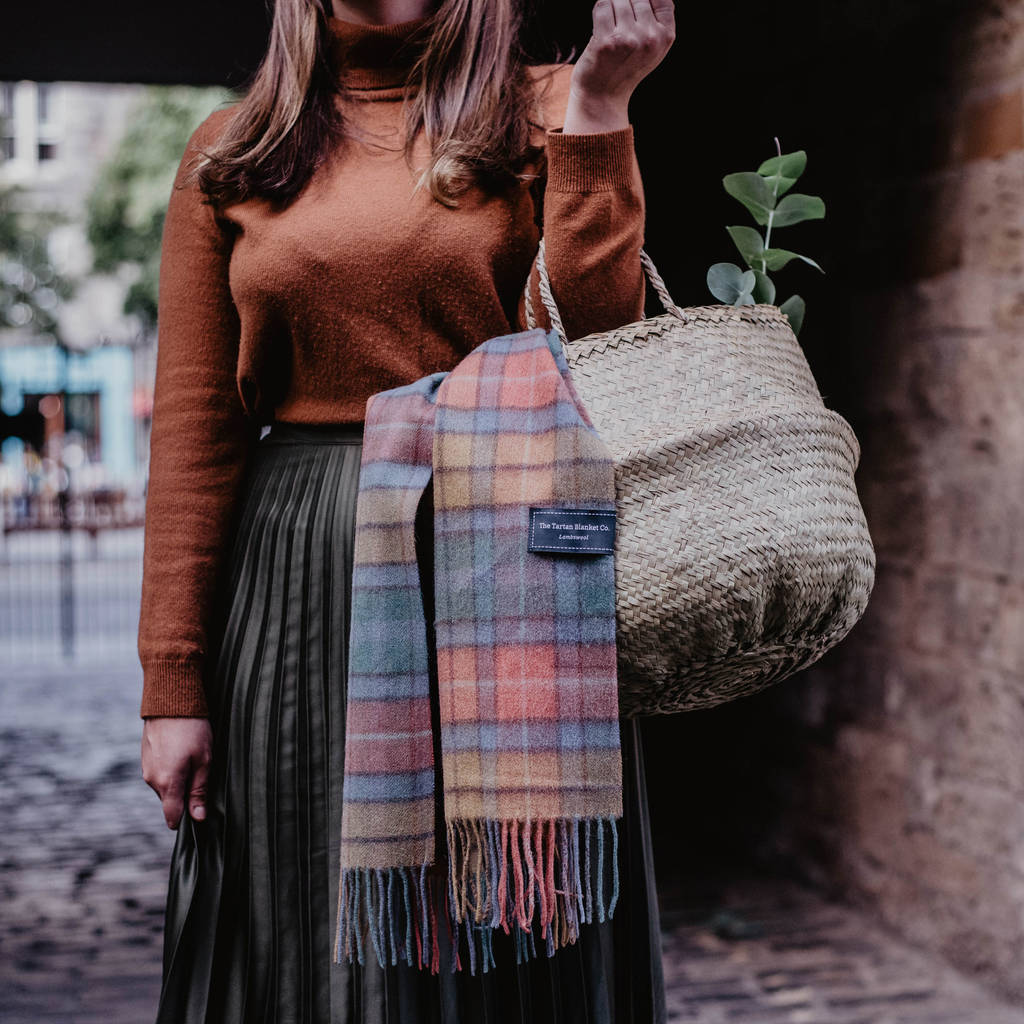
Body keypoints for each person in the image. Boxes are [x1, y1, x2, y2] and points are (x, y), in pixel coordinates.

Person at [137, 0, 675, 1020]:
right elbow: (198, 428)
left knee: (520, 917)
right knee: (305, 922)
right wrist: (173, 682)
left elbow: (601, 354)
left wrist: (603, 106)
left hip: (509, 563)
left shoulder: (548, 107)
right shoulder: (234, 149)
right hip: (305, 587)